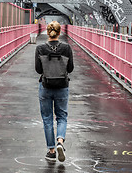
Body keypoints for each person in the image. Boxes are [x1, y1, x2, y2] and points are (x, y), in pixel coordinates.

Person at [35, 21, 74, 162]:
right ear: (59, 32)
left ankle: (51, 151)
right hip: (62, 86)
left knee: (47, 119)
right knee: (62, 117)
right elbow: (70, 69)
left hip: (45, 87)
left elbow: (38, 70)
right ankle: (60, 141)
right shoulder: (66, 48)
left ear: (47, 31)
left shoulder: (40, 48)